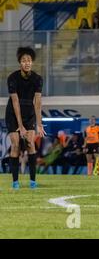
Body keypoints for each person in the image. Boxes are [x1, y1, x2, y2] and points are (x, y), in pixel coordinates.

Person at [5, 47, 45, 189]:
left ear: (32, 62)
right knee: (15, 144)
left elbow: (38, 103)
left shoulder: (38, 79)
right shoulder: (12, 78)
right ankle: (15, 182)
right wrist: (20, 126)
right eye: (23, 60)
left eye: (29, 60)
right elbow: (15, 102)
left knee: (30, 143)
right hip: (13, 113)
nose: (27, 63)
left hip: (29, 113)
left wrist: (39, 123)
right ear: (19, 63)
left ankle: (33, 181)